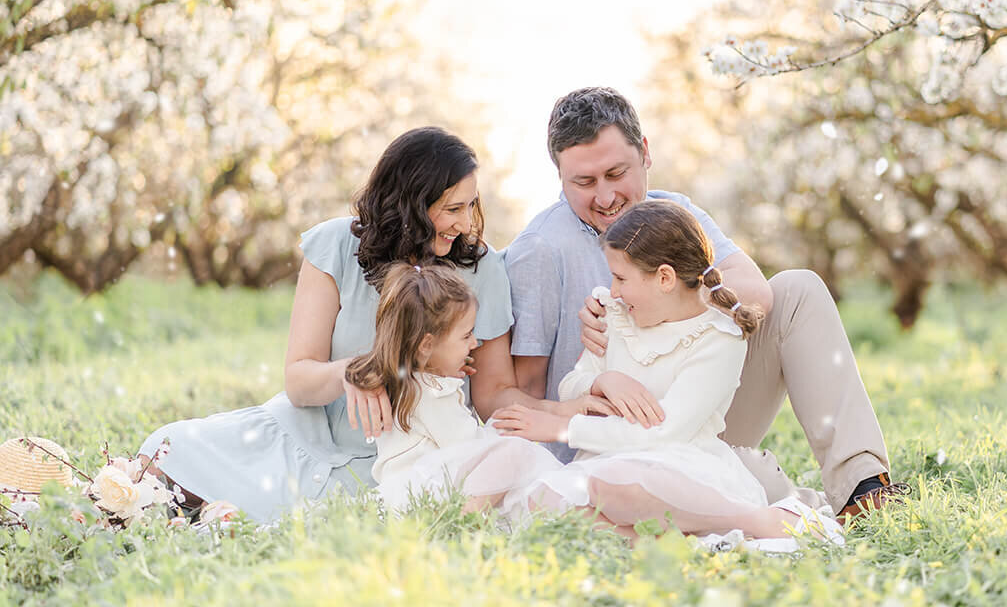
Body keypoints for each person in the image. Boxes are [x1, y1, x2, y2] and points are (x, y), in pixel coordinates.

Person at [485, 87, 906, 521]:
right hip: (600, 448)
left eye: (616, 173)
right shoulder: (539, 250)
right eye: (584, 182)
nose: (606, 197)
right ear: (559, 176)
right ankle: (752, 496)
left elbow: (754, 293)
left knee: (797, 290)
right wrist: (594, 381)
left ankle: (863, 488)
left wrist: (662, 303)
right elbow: (520, 393)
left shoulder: (672, 212)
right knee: (734, 498)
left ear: (645, 153)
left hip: (694, 416)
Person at [138, 127, 543, 523]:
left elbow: (492, 396)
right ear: (409, 204)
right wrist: (354, 372)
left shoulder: (482, 269)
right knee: (167, 448)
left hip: (398, 458)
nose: (468, 224)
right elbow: (299, 381)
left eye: (472, 205)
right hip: (306, 436)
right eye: (453, 209)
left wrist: (569, 415)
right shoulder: (335, 246)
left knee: (336, 515)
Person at [492, 201, 842, 543]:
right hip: (603, 460)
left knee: (619, 486)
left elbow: (664, 433)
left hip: (676, 465)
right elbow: (571, 385)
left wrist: (563, 428)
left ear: (664, 278)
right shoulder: (616, 314)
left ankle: (758, 520)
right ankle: (663, 539)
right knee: (542, 501)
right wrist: (603, 381)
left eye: (620, 278)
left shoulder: (718, 339)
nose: (613, 289)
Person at [347, 262, 563, 513]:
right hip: (422, 495)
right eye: (466, 335)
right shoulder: (432, 393)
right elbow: (468, 447)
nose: (474, 343)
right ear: (427, 345)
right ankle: (459, 518)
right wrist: (503, 429)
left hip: (411, 489)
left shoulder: (409, 383)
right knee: (515, 454)